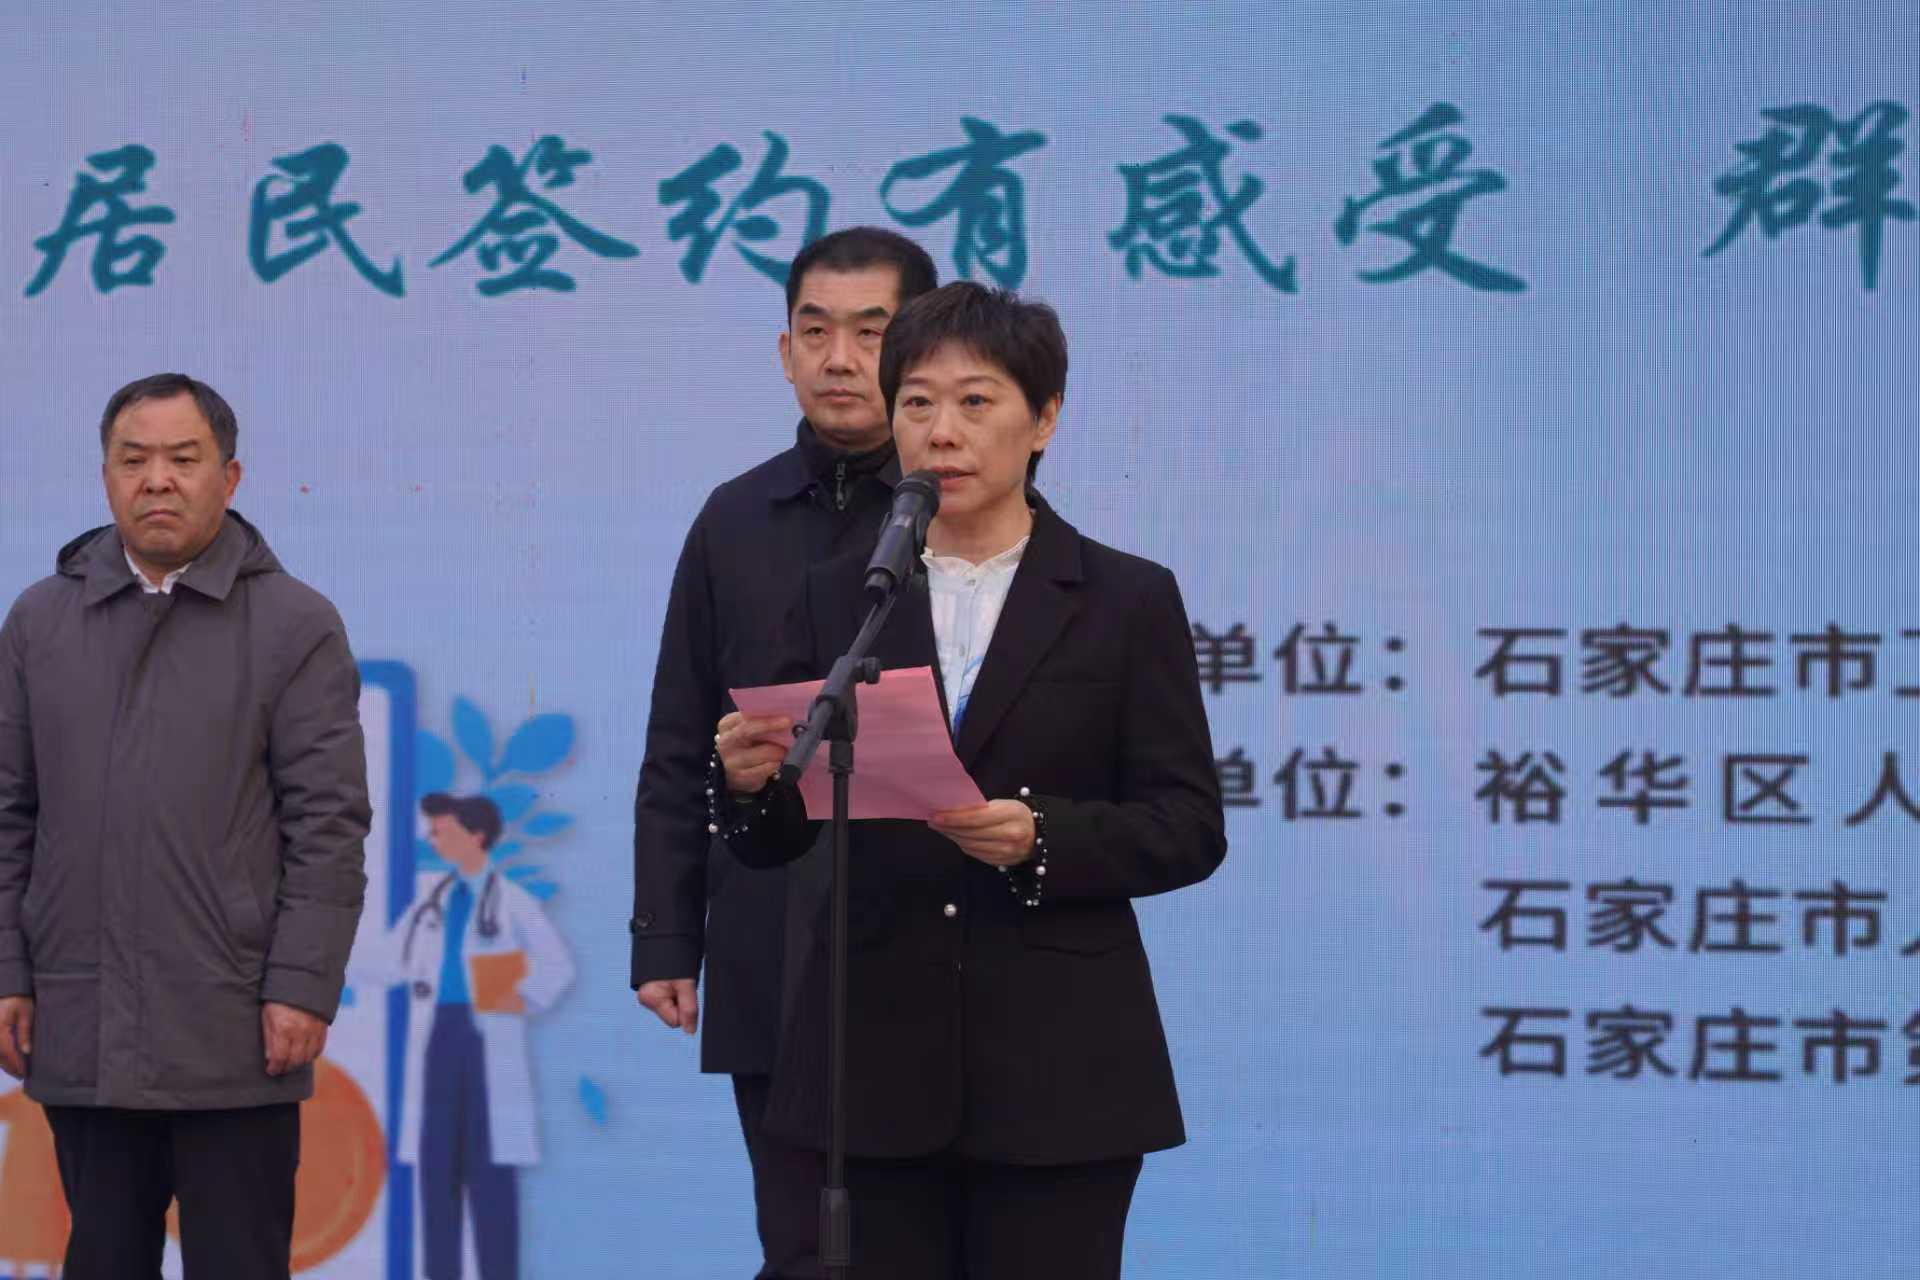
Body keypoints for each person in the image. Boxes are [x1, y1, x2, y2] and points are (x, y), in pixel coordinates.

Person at [713, 282, 1228, 1278]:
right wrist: (746, 785)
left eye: (975, 401)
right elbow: (776, 837)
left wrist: (1042, 837)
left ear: (1044, 418)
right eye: (917, 402)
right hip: (867, 1061)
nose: (940, 431)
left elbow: (1188, 823)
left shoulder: (1124, 599)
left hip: (1058, 1069)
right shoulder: (841, 595)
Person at [0, 373, 370, 1278]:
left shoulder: (294, 625)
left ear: (229, 477)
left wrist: (302, 986)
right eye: (133, 460)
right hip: (82, 1024)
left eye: (183, 458)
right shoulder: (40, 622)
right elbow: (9, 812)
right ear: (105, 478)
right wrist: (8, 970)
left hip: (236, 1029)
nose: (157, 480)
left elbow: (328, 825)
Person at [630, 227, 936, 1276]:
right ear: (784, 350)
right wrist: (667, 934)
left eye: (871, 332)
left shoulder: (966, 511)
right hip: (771, 931)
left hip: (933, 937)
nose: (839, 358)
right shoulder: (734, 518)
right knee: (801, 1244)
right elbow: (678, 738)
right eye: (815, 332)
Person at [351, 791, 574, 1280]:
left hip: (485, 1042)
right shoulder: (431, 899)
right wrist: (331, 945)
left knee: (491, 1178)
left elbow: (557, 965)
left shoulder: (512, 901)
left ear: (476, 836)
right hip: (439, 1039)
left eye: (442, 831)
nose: (432, 839)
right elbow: (389, 960)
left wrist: (521, 994)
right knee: (437, 1176)